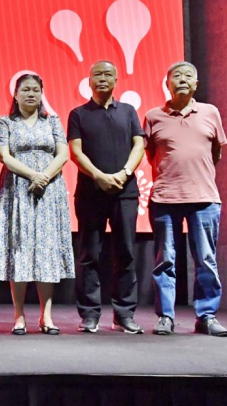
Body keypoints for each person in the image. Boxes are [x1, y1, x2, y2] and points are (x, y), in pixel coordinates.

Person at [144, 62, 227, 337]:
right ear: (167, 84)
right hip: (165, 198)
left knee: (205, 259)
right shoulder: (153, 116)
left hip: (204, 198)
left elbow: (216, 153)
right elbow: (151, 155)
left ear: (196, 84)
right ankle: (165, 316)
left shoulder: (210, 112)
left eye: (188, 76)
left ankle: (207, 316)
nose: (182, 79)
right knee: (165, 261)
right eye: (176, 76)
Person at [0, 74, 74, 335]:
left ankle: (46, 317)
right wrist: (32, 176)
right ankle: (19, 316)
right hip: (17, 190)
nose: (30, 94)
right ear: (15, 95)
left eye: (36, 90)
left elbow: (63, 154)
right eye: (25, 90)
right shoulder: (6, 122)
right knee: (20, 249)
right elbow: (4, 156)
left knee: (46, 250)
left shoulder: (53, 121)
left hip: (49, 190)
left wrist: (44, 177)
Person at [68, 60, 145, 334]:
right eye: (97, 75)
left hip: (125, 192)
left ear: (116, 80)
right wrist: (98, 176)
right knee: (89, 254)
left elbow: (139, 144)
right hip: (91, 193)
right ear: (89, 82)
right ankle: (90, 315)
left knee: (126, 253)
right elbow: (75, 151)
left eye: (107, 74)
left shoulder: (128, 111)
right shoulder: (78, 114)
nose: (102, 78)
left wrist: (125, 173)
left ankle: (124, 314)